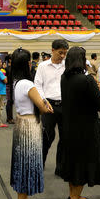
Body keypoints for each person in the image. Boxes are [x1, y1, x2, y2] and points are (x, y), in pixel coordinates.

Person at [60, 46, 100, 199]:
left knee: (73, 162)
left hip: (69, 126)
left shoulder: (64, 78)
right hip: (86, 127)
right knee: (84, 163)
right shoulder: (86, 80)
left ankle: (74, 194)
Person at [9, 48, 53, 199]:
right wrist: (46, 105)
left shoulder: (17, 82)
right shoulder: (27, 84)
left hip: (22, 123)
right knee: (27, 164)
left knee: (24, 163)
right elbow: (42, 107)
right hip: (29, 127)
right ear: (27, 63)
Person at [34, 39, 69, 175]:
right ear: (52, 50)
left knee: (65, 138)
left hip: (65, 105)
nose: (62, 56)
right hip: (48, 105)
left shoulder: (67, 65)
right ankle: (39, 164)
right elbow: (37, 85)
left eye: (64, 53)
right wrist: (43, 101)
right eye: (60, 53)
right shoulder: (43, 66)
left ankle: (60, 168)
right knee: (46, 136)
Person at [5, 55, 14, 124]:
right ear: (10, 60)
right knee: (9, 102)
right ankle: (9, 118)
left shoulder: (10, 68)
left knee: (10, 102)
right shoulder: (8, 68)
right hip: (9, 86)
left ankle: (10, 117)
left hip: (12, 86)